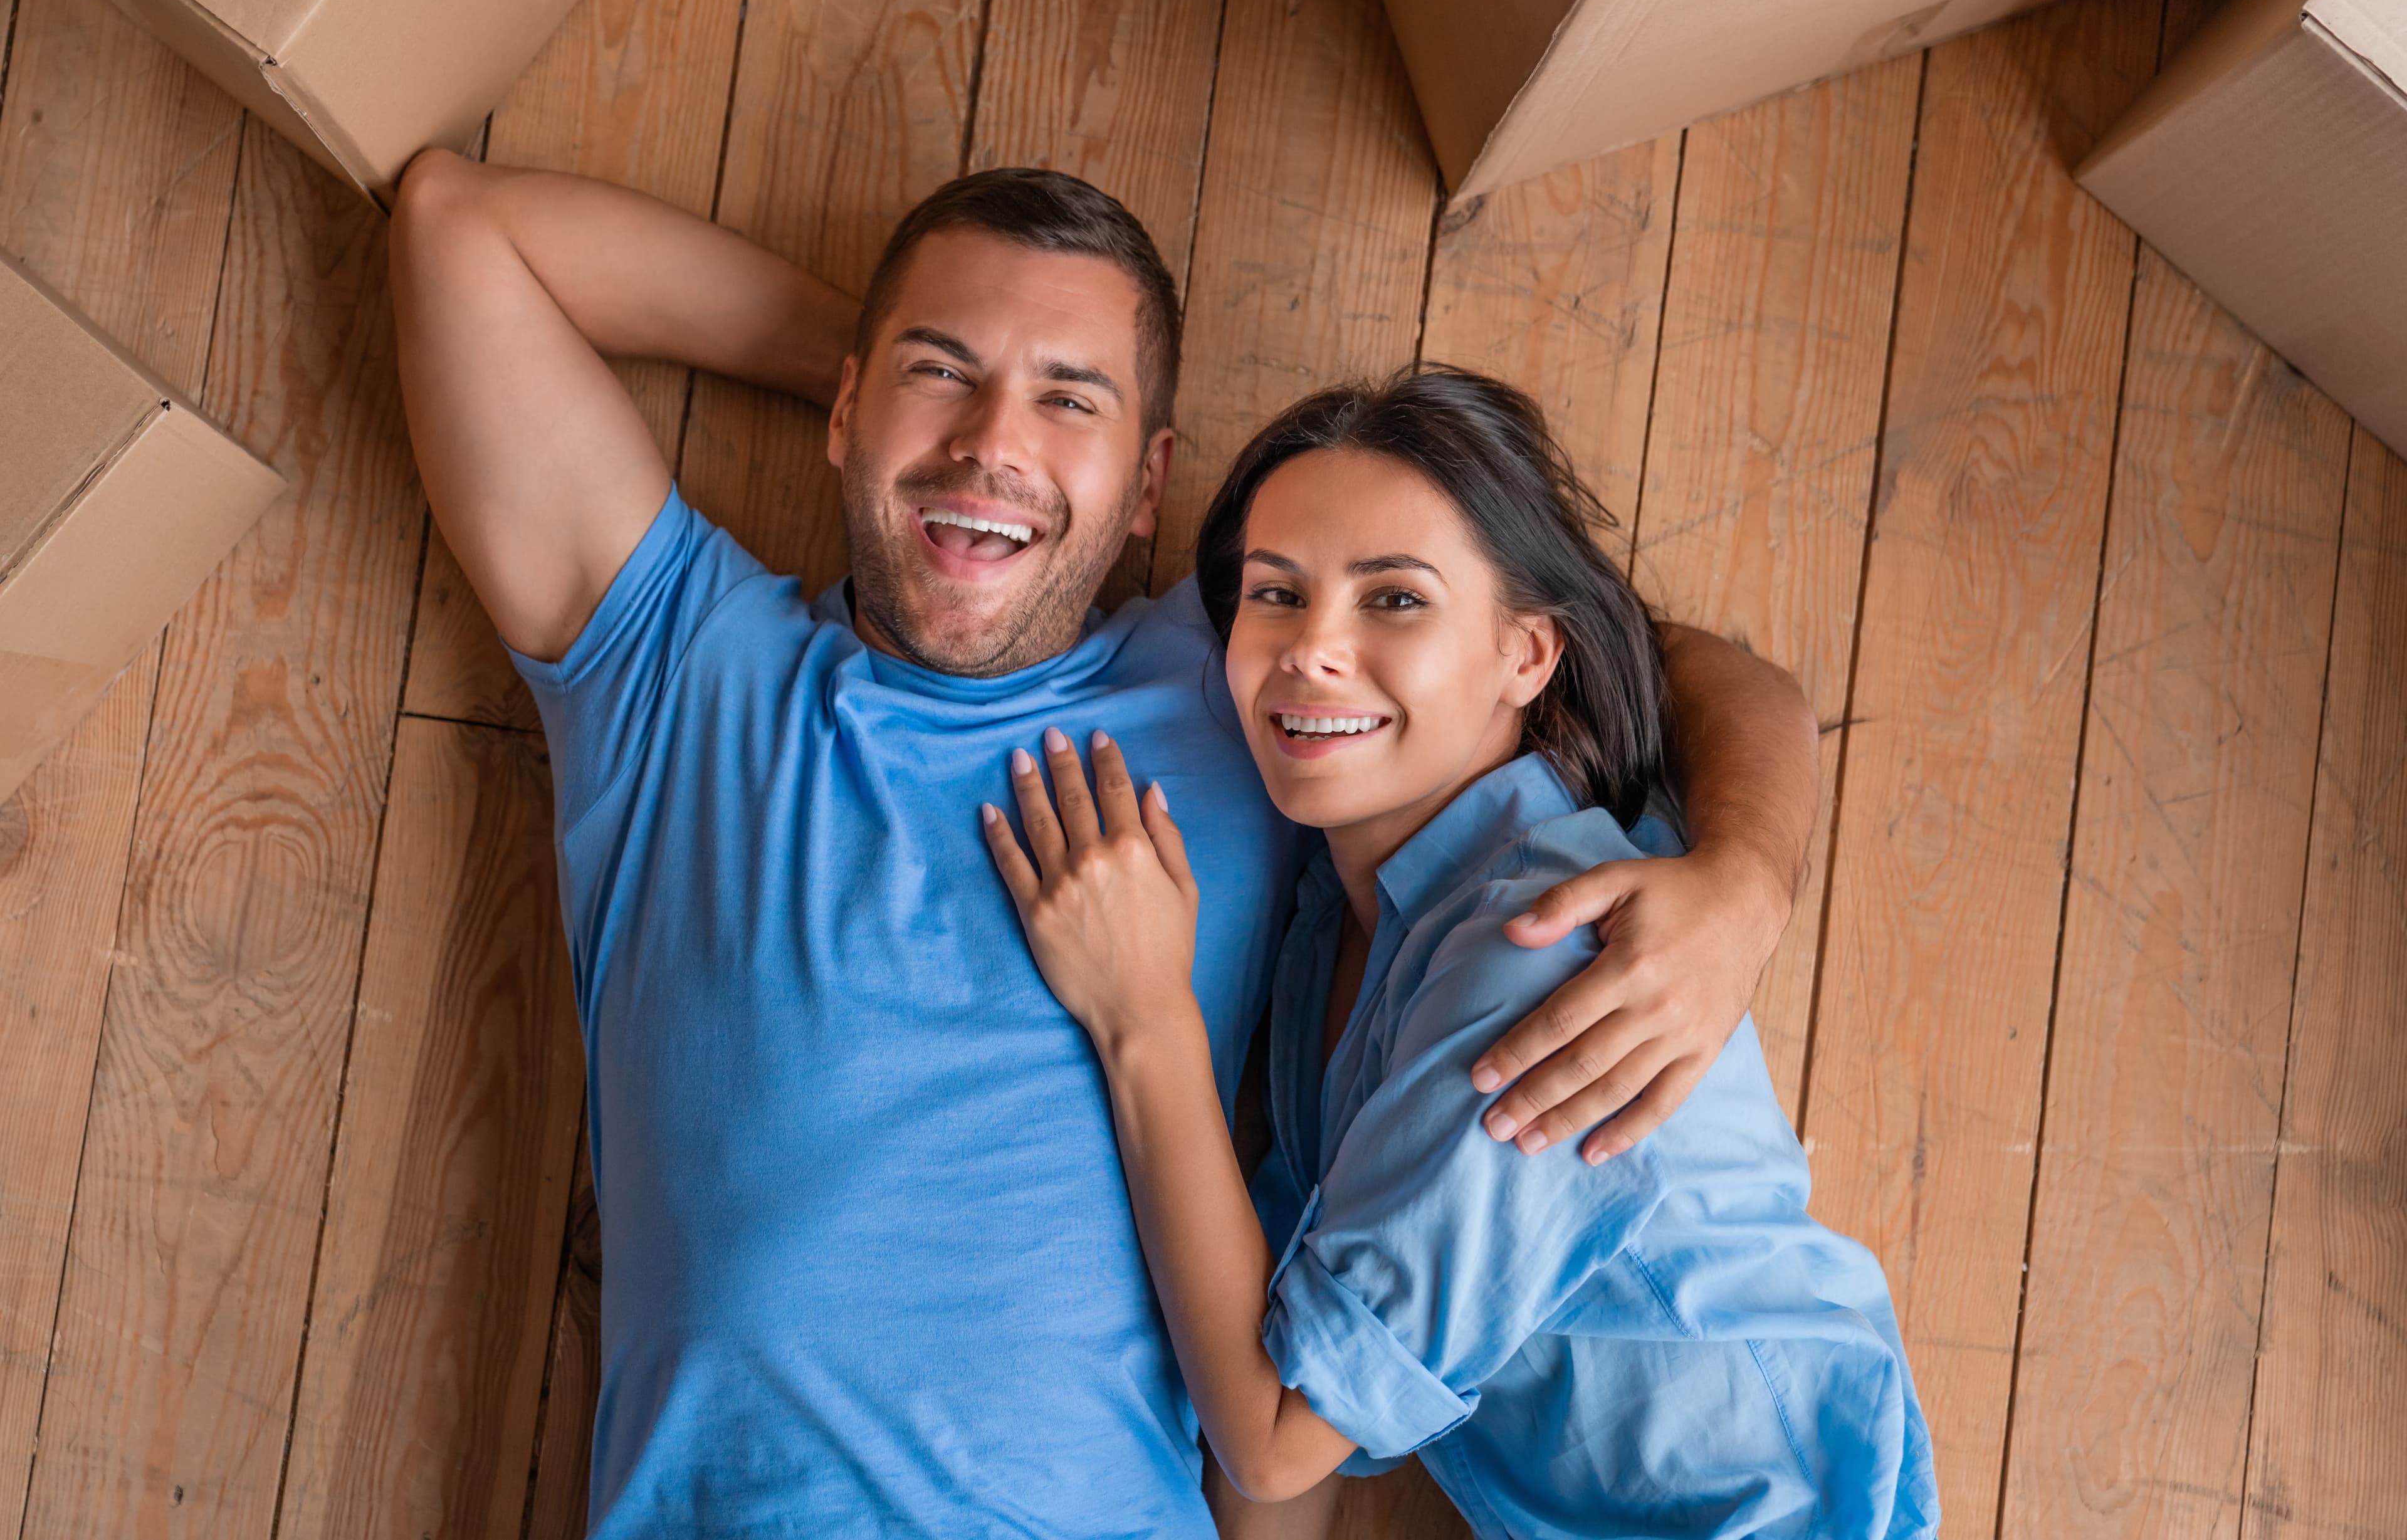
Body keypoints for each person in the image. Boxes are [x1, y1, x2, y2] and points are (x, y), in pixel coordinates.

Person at [387, 155, 1824, 1534]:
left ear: (1150, 488)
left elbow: (1672, 659)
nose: (995, 439)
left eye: (1070, 402)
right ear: (846, 408)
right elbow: (459, 230)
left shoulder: (1255, 678)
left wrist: (1744, 884)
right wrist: (918, 394)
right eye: (939, 370)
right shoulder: (679, 666)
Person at [983, 367, 1938, 1538]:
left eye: (1394, 600)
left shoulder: (1540, 950)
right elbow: (1282, 1332)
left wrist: (1145, 1018)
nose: (1311, 650)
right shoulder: (1335, 929)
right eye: (1274, 593)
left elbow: (1278, 1437)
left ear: (1528, 655)